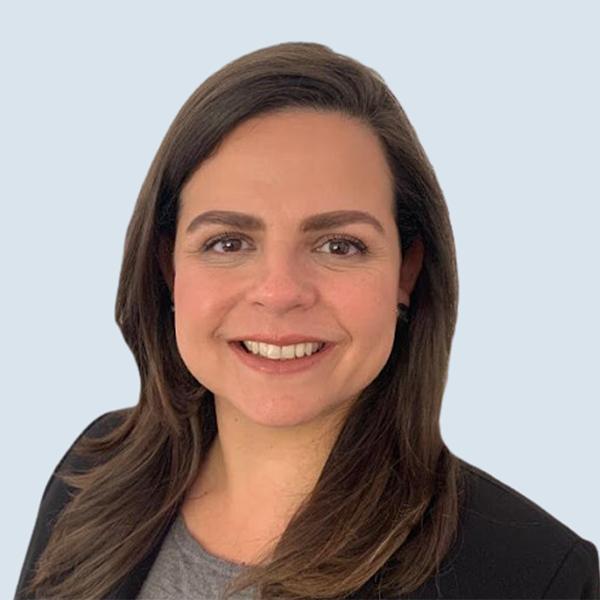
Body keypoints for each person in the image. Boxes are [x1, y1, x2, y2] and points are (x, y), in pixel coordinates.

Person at [14, 41, 599, 600]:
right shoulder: (91, 472)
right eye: (228, 242)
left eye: (339, 246)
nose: (279, 292)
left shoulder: (535, 576)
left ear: (407, 271)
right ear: (169, 267)